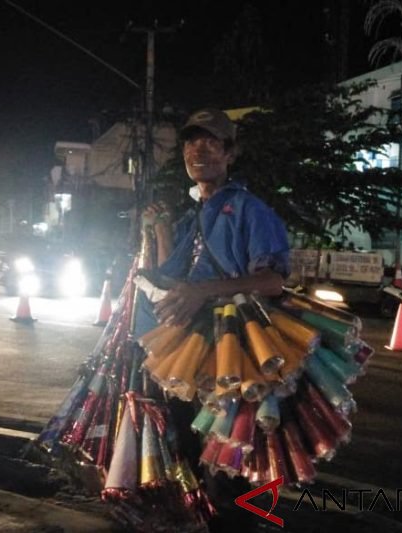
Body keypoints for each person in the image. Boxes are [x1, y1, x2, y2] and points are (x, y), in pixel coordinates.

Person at [136, 108, 291, 531]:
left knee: (235, 460)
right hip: (191, 350)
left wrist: (200, 292)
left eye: (210, 142)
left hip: (237, 351)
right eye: (190, 142)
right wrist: (161, 227)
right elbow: (175, 274)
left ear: (230, 152)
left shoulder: (248, 209)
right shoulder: (193, 215)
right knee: (187, 449)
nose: (197, 150)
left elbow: (273, 279)